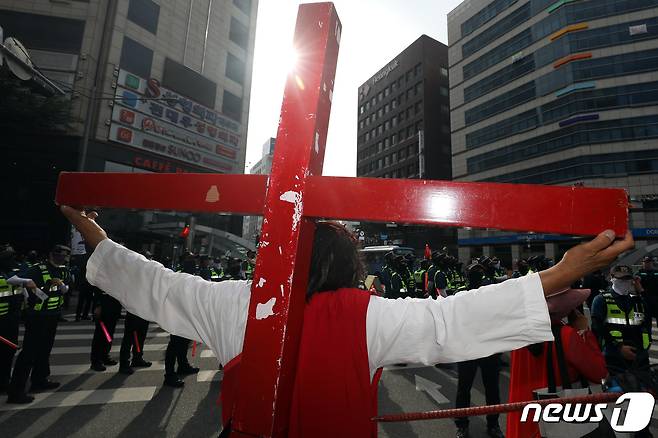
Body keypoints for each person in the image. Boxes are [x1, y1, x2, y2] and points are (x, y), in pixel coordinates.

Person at [61, 206, 633, 436]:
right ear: (346, 264)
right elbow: (451, 320)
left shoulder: (235, 303)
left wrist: (94, 232)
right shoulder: (368, 316)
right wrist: (561, 272)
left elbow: (152, 284)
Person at [506, 292, 608, 438]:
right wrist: (585, 333)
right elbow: (600, 372)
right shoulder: (566, 334)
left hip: (522, 418)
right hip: (553, 421)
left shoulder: (520, 333)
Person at [7, 245, 72, 403]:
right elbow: (11, 278)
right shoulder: (37, 269)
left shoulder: (63, 270)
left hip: (53, 315)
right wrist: (27, 281)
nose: (62, 258)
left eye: (65, 256)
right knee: (29, 353)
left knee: (45, 350)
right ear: (51, 254)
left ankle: (39, 380)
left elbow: (66, 289)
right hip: (37, 316)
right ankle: (16, 392)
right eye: (59, 255)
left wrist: (61, 285)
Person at [455, 261, 504, 438]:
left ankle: (493, 424)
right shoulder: (460, 294)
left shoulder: (490, 293)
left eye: (479, 274)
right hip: (468, 348)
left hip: (488, 347)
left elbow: (499, 318)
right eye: (473, 274)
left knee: (492, 388)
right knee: (464, 388)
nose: (477, 277)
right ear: (468, 276)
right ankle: (462, 425)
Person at [591, 265, 652, 374]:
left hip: (639, 359)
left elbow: (648, 322)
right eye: (621, 279)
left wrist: (641, 291)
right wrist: (619, 347)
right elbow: (597, 328)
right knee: (618, 390)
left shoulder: (638, 300)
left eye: (628, 278)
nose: (625, 282)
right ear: (612, 278)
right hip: (613, 358)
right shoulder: (601, 300)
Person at [0, 245, 36, 394]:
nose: (12, 260)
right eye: (8, 257)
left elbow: (20, 290)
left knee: (8, 352)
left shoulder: (12, 273)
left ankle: (3, 381)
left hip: (12, 319)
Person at [164, 252, 200, 387]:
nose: (193, 262)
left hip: (188, 315)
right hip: (177, 315)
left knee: (184, 342)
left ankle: (183, 365)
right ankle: (169, 374)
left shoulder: (193, 275)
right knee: (174, 345)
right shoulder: (176, 275)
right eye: (190, 259)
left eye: (193, 259)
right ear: (184, 260)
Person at [89, 285, 122, 371]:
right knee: (100, 336)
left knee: (109, 335)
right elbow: (96, 288)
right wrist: (98, 305)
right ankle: (95, 361)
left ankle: (105, 356)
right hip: (103, 308)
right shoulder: (103, 272)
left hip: (114, 307)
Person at [638, 256, 658, 328]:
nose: (647, 263)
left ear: (652, 262)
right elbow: (636, 282)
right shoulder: (639, 273)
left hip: (656, 299)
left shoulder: (656, 272)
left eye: (649, 262)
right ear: (642, 263)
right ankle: (648, 338)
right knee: (647, 321)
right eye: (645, 262)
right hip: (645, 299)